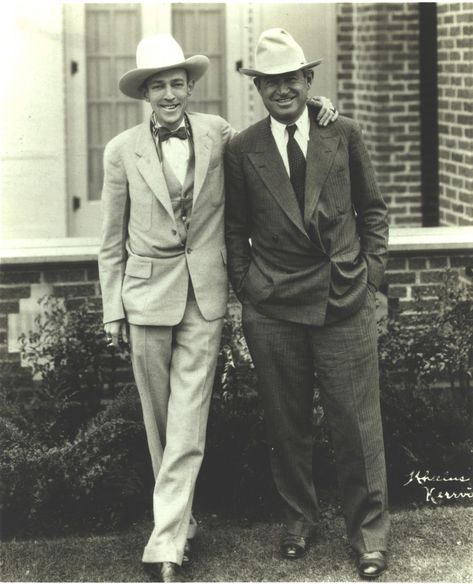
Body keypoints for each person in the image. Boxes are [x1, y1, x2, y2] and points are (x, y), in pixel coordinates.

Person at [98, 33, 337, 582]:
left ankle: (165, 544)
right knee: (158, 423)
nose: (169, 94)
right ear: (145, 92)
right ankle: (179, 522)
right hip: (143, 298)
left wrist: (320, 108)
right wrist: (113, 308)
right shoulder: (121, 151)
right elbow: (110, 241)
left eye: (177, 83)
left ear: (189, 86)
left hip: (205, 297)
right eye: (158, 85)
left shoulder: (219, 134)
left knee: (187, 421)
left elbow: (277, 130)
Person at [225, 28, 390, 580]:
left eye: (291, 79)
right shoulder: (242, 149)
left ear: (308, 81)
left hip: (343, 298)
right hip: (273, 307)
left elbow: (374, 212)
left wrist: (372, 279)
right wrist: (248, 289)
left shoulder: (341, 132)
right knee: (286, 422)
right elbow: (235, 229)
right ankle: (300, 519)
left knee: (356, 423)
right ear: (259, 88)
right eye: (270, 82)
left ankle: (368, 534)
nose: (282, 90)